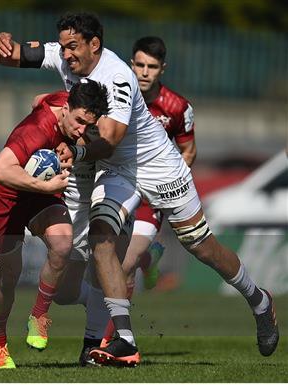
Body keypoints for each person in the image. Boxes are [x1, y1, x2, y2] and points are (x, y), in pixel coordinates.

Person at [0, 12, 279, 367]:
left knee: (202, 247)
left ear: (95, 44)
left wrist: (77, 149)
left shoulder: (118, 77)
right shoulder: (68, 55)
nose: (65, 55)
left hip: (157, 166)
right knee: (101, 240)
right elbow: (19, 53)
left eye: (73, 47)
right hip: (117, 171)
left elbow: (109, 139)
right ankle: (123, 340)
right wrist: (0, 44)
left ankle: (259, 300)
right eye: (62, 47)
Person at [0, 80, 108, 369]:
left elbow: (39, 97)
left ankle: (38, 316)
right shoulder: (36, 130)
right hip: (5, 196)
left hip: (41, 189)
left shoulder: (67, 99)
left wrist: (74, 145)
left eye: (86, 125)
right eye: (77, 122)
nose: (80, 131)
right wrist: (43, 185)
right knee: (7, 279)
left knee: (62, 243)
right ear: (65, 109)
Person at [101, 35, 199, 344]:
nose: (144, 72)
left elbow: (189, 152)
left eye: (152, 67)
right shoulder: (116, 94)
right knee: (103, 258)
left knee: (125, 264)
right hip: (120, 184)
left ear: (162, 69)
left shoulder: (177, 107)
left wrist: (168, 188)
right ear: (131, 64)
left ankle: (113, 340)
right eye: (140, 65)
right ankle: (149, 258)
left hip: (151, 195)